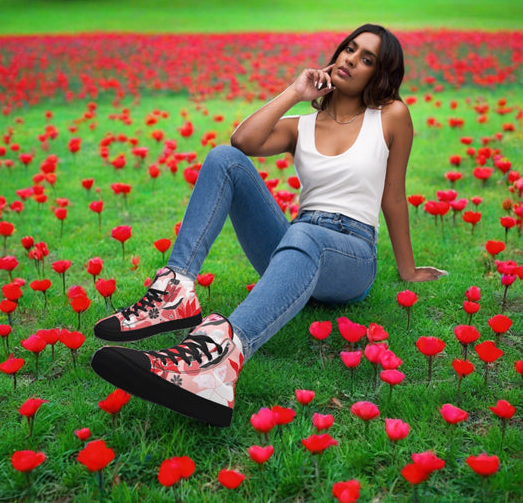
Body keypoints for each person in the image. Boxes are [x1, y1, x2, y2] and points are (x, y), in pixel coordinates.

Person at [91, 24, 446, 427]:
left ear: (379, 74)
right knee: (224, 158)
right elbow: (243, 141)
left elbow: (393, 196)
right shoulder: (301, 125)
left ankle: (219, 360)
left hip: (351, 252)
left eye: (367, 58)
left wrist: (407, 270)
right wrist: (296, 91)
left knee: (305, 233)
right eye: (349, 49)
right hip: (296, 246)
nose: (351, 59)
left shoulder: (391, 116)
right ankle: (174, 291)